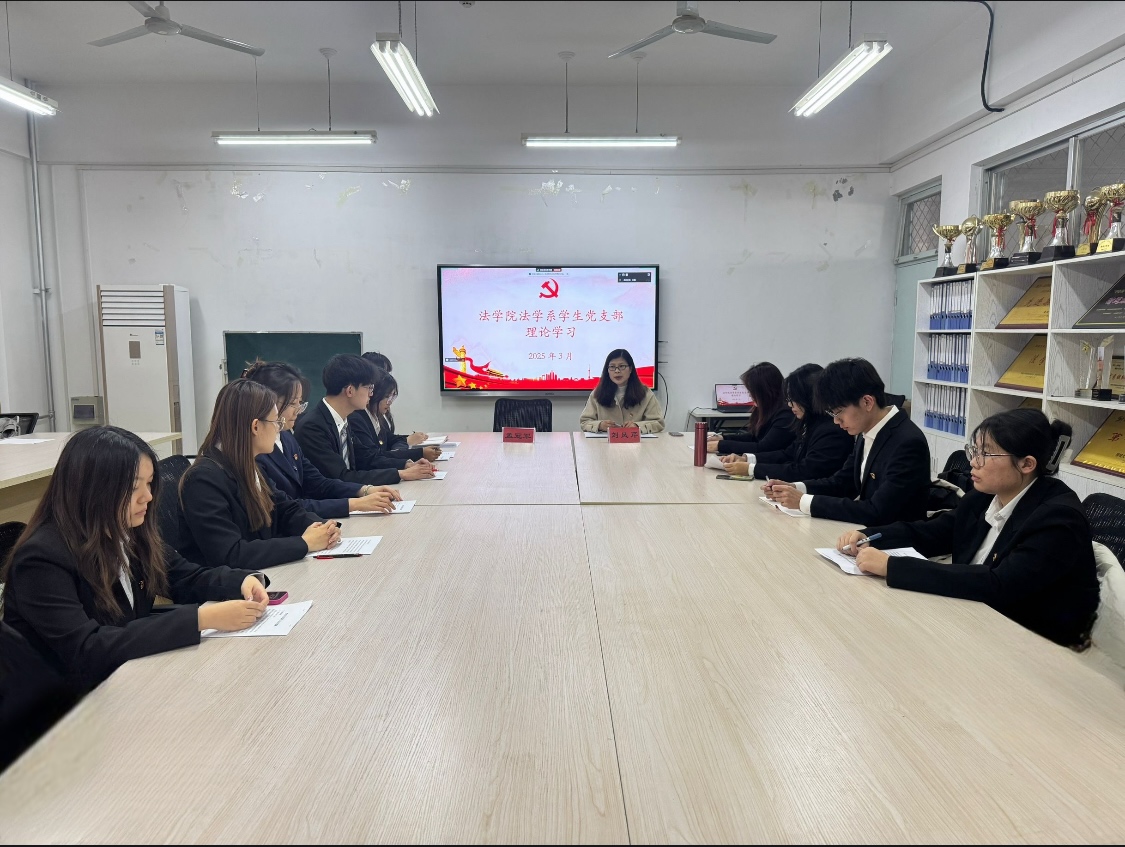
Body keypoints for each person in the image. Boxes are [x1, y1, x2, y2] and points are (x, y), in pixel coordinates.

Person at [1, 426, 270, 696]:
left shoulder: (126, 530)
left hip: (125, 680)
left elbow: (183, 577)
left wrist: (241, 581)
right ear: (93, 491)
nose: (148, 497)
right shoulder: (41, 559)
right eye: (133, 487)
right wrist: (200, 619)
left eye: (149, 483)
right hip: (65, 703)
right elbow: (87, 649)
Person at [836, 409, 1099, 647]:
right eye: (974, 451)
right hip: (971, 615)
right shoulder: (985, 496)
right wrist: (871, 536)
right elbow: (934, 533)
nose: (973, 461)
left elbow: (999, 585)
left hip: (1030, 640)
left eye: (986, 454)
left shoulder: (1058, 519)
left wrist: (892, 567)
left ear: (1026, 464)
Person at [179, 380, 341, 570]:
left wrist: (322, 528)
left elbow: (284, 509)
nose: (279, 429)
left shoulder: (250, 464)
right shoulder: (203, 480)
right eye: (276, 422)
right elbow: (231, 554)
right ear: (255, 426)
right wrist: (305, 543)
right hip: (226, 585)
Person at [763, 357, 930, 523]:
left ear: (867, 402)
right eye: (832, 414)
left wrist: (803, 501)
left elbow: (877, 511)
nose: (836, 421)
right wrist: (795, 488)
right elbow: (841, 483)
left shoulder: (907, 443)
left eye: (838, 412)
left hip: (892, 536)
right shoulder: (868, 431)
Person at [242, 360, 401, 518]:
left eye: (300, 403)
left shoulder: (286, 437)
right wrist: (354, 504)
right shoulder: (258, 448)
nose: (298, 410)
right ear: (268, 403)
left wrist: (365, 490)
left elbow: (317, 481)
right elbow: (283, 507)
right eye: (293, 403)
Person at [295, 354, 435, 484]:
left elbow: (368, 458)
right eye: (369, 388)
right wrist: (400, 474)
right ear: (350, 390)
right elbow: (340, 477)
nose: (371, 394)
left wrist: (406, 464)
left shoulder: (342, 420)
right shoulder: (313, 427)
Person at [720, 363, 854, 480]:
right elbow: (788, 454)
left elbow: (804, 471)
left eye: (793, 399)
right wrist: (746, 459)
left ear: (808, 398)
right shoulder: (810, 422)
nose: (790, 404)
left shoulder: (830, 429)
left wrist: (751, 469)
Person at [350, 365, 442, 471]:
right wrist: (418, 454)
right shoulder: (357, 419)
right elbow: (374, 458)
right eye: (387, 397)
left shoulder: (377, 416)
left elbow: (390, 439)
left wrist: (407, 442)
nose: (390, 402)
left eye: (392, 397)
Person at [707, 362, 796, 455]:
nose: (750, 395)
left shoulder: (785, 415)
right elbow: (754, 437)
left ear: (764, 391)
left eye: (752, 391)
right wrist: (723, 438)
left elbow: (763, 448)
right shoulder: (768, 409)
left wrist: (720, 445)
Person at [579, 349, 665, 434]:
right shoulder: (597, 394)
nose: (617, 371)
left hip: (636, 442)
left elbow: (658, 423)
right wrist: (600, 425)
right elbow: (584, 422)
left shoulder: (646, 394)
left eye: (622, 366)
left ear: (630, 369)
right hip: (604, 442)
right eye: (612, 367)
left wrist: (637, 426)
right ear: (607, 370)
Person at [360, 352, 430, 448]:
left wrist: (409, 439)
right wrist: (408, 442)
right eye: (382, 373)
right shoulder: (359, 416)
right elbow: (376, 453)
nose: (386, 378)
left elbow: (388, 439)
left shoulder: (379, 410)